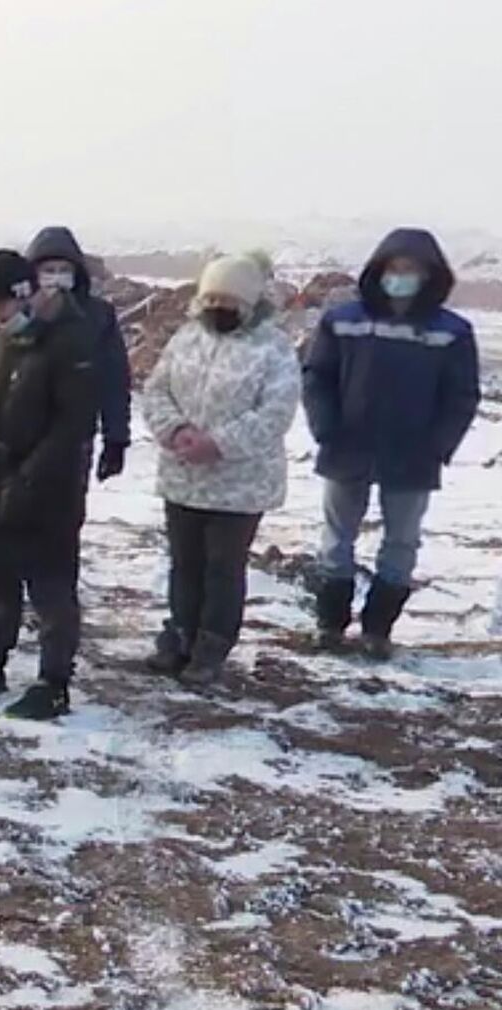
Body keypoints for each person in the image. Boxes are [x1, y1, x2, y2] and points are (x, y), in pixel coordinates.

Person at [304, 228, 480, 660]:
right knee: (336, 539)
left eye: (411, 270)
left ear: (429, 276)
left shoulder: (450, 332)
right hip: (348, 447)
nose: (401, 277)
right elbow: (317, 377)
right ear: (379, 270)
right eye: (395, 268)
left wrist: (438, 445)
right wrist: (326, 428)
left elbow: (461, 396)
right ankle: (329, 624)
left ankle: (378, 631)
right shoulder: (344, 321)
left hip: (412, 456)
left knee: (401, 542)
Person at [0, 250, 98, 720]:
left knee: (50, 587)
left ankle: (53, 682)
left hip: (48, 491)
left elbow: (73, 423)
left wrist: (30, 478)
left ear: (24, 294)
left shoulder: (68, 339)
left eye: (1, 306)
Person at [140, 253, 300, 687]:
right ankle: (179, 635)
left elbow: (275, 413)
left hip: (240, 486)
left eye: (228, 300)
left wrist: (217, 444)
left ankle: (211, 647)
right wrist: (175, 432)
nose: (218, 307)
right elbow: (155, 390)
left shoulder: (273, 348)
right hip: (182, 477)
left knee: (223, 567)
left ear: (249, 302)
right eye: (210, 297)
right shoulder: (186, 339)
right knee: (184, 563)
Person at [25, 227, 133, 484]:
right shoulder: (17, 316)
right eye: (49, 270)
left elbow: (114, 381)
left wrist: (116, 439)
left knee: (63, 518)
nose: (57, 277)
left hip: (73, 443)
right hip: (19, 441)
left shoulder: (98, 317)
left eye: (64, 270)